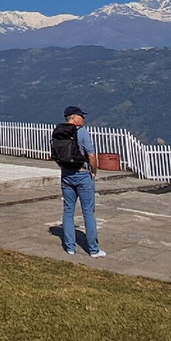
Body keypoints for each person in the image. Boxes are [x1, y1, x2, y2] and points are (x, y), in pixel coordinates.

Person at [59, 105, 106, 258]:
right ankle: (93, 249)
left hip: (66, 175)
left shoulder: (60, 132)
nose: (84, 118)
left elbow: (56, 153)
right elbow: (91, 155)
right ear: (73, 117)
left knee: (68, 211)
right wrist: (93, 172)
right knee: (88, 212)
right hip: (83, 174)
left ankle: (70, 247)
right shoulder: (82, 132)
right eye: (81, 115)